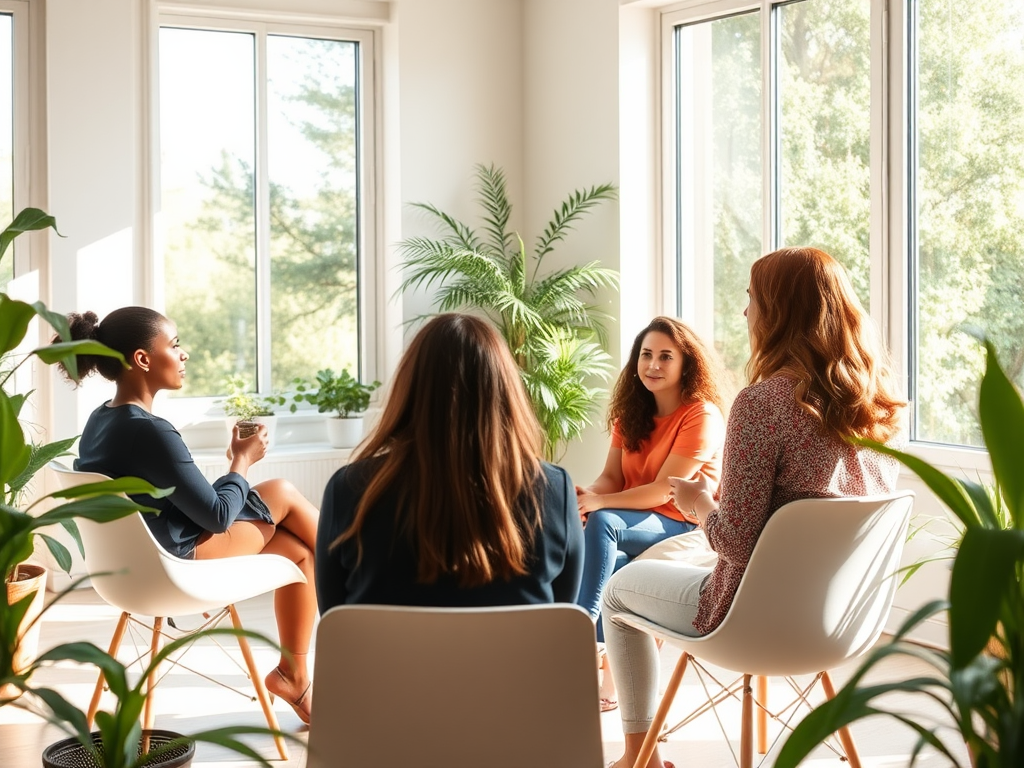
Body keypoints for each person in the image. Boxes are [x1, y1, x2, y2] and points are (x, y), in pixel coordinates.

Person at [602, 247, 907, 768]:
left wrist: (699, 501)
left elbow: (734, 541)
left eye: (752, 298)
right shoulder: (873, 403)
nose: (745, 313)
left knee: (616, 594)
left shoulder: (763, 403)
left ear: (780, 310)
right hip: (840, 621)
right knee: (675, 556)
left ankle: (638, 760)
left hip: (749, 616)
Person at [60, 307, 318, 726]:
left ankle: (296, 677)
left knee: (300, 555)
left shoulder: (101, 420)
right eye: (175, 345)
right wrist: (241, 460)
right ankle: (365, 582)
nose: (185, 355)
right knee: (283, 493)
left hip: (132, 569)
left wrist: (235, 470)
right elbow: (216, 517)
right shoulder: (149, 430)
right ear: (143, 359)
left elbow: (185, 505)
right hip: (179, 565)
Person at [315, 313, 583, 611]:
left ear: (410, 388)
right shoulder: (554, 490)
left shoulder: (349, 489)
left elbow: (333, 620)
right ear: (505, 393)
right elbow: (561, 617)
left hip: (391, 660)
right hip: (512, 660)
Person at [574, 316, 726, 711]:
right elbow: (611, 477)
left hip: (684, 520)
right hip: (636, 522)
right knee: (613, 558)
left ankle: (582, 633)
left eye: (665, 356)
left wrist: (601, 506)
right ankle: (611, 685)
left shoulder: (701, 414)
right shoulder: (631, 413)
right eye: (646, 355)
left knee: (603, 522)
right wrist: (586, 495)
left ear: (686, 364)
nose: (653, 365)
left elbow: (664, 489)